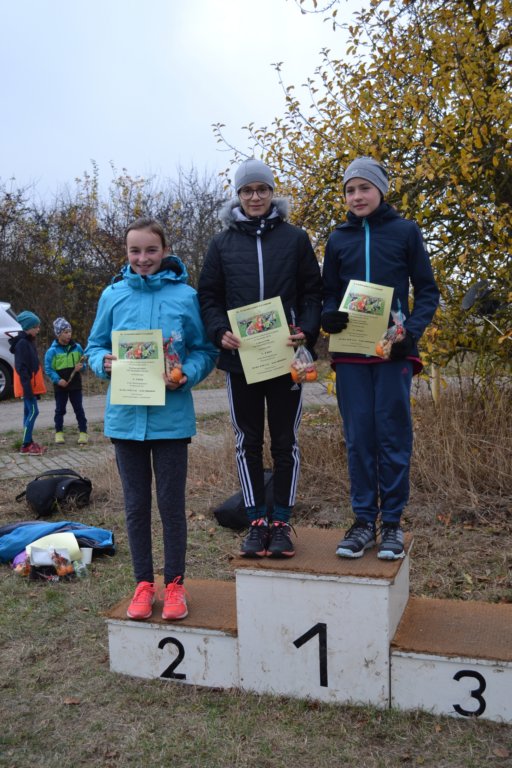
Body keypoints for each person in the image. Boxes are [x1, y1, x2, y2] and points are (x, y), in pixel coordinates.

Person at [86, 217, 217, 622]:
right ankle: (143, 584)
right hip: (126, 420)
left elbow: (205, 350)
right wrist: (103, 362)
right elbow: (94, 346)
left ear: (165, 251)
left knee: (171, 506)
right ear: (126, 253)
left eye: (151, 250)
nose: (143, 258)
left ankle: (174, 585)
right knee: (136, 506)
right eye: (135, 251)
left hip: (171, 420)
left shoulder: (186, 296)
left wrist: (186, 374)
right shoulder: (112, 295)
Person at [198, 158, 322, 558]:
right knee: (247, 441)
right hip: (242, 360)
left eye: (262, 189)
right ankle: (255, 522)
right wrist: (219, 330)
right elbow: (209, 296)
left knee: (285, 442)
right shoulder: (221, 243)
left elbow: (313, 292)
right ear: (238, 195)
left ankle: (281, 522)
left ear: (272, 193)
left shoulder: (295, 238)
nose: (255, 197)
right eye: (248, 190)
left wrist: (307, 328)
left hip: (286, 357)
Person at [322, 157, 440, 560]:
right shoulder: (338, 239)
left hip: (393, 351)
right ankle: (362, 523)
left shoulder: (405, 231)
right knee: (359, 440)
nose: (357, 196)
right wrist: (328, 315)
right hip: (351, 355)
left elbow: (427, 291)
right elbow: (328, 293)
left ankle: (391, 524)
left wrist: (412, 334)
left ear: (381, 190)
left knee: (392, 437)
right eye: (350, 190)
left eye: (364, 188)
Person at [44, 317, 88, 445]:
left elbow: (84, 364)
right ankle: (59, 432)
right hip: (60, 385)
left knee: (78, 408)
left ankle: (83, 432)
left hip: (75, 384)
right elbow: (48, 369)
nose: (69, 335)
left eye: (70, 332)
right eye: (65, 332)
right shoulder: (52, 351)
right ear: (58, 334)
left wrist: (81, 367)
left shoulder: (77, 347)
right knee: (60, 410)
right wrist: (58, 380)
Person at [9, 311, 47, 455]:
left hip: (30, 386)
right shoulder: (22, 344)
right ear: (28, 327)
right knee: (33, 412)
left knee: (28, 412)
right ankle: (25, 445)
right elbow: (22, 369)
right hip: (27, 386)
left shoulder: (28, 341)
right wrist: (28, 390)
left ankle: (29, 442)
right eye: (35, 327)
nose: (38, 329)